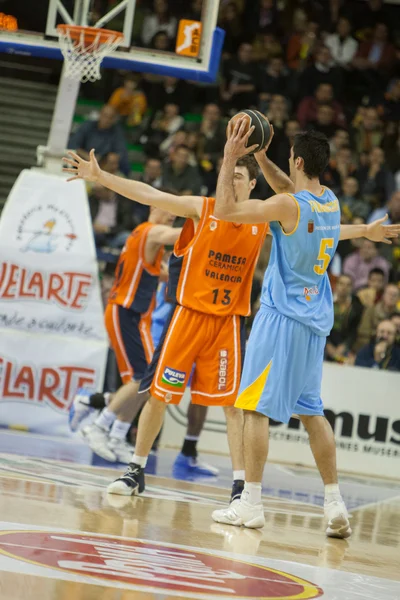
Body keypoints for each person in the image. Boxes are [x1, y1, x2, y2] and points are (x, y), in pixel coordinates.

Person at [62, 133, 294, 502]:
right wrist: (102, 177)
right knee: (157, 396)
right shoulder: (202, 208)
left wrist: (363, 230)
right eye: (227, 172)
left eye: (238, 176)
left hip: (227, 324)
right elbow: (150, 195)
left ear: (253, 184)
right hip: (188, 317)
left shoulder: (262, 219)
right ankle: (136, 470)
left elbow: (302, 206)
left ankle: (239, 489)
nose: (231, 180)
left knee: (232, 407)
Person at [209, 122, 400, 537]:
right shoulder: (329, 201)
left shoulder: (287, 208)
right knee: (312, 413)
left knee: (255, 409)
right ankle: (335, 505)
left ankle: (251, 503)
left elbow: (225, 211)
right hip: (314, 324)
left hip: (280, 321)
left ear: (296, 161)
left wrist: (229, 157)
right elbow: (296, 196)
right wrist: (261, 157)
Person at [69, 207, 181, 463]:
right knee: (141, 379)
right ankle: (98, 425)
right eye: (169, 209)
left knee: (147, 383)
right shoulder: (149, 232)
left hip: (137, 316)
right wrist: (211, 221)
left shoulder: (149, 243)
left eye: (175, 212)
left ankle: (117, 434)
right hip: (124, 311)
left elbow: (165, 273)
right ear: (154, 206)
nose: (172, 214)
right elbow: (173, 235)